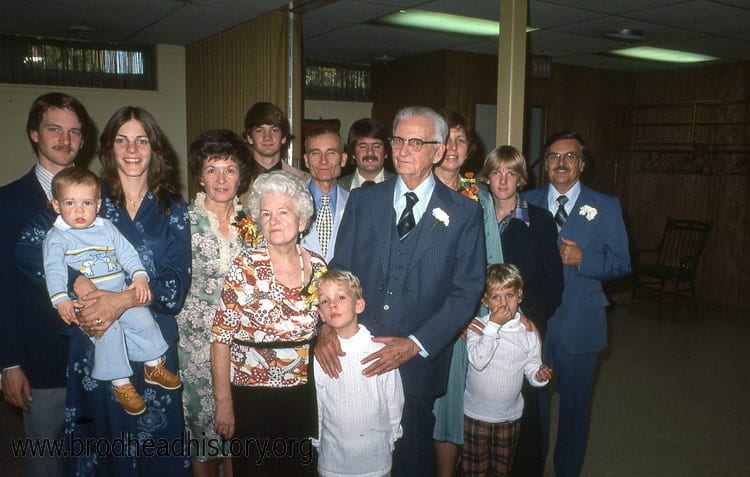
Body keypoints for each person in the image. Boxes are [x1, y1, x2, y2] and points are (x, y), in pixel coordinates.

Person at [14, 106, 192, 474]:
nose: (131, 149)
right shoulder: (84, 198)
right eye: (122, 140)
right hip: (94, 340)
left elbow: (174, 287)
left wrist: (123, 299)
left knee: (157, 455)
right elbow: (29, 246)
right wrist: (74, 281)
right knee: (104, 455)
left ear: (154, 149)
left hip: (152, 355)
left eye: (141, 140)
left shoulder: (172, 208)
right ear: (108, 148)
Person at [321, 106, 486, 475]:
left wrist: (414, 344)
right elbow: (339, 270)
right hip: (358, 352)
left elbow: (466, 291)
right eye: (398, 140)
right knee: (356, 452)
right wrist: (328, 327)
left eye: (416, 142)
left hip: (418, 360)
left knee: (412, 457)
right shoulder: (365, 201)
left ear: (439, 151)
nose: (403, 150)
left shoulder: (463, 212)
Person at [522, 131, 631, 477]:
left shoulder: (606, 206)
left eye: (570, 157)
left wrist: (586, 259)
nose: (561, 163)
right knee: (531, 408)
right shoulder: (525, 201)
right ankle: (530, 468)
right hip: (532, 323)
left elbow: (623, 263)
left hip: (580, 323)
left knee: (574, 408)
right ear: (545, 164)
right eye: (554, 156)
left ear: (582, 165)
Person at [211, 170, 326, 475]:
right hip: (252, 398)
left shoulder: (317, 266)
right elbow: (220, 340)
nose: (273, 220)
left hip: (302, 395)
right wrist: (223, 403)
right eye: (266, 213)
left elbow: (326, 326)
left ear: (301, 221)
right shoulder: (244, 267)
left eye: (283, 212)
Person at [0, 91, 90, 477]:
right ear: (34, 134)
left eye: (73, 132)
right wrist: (8, 363)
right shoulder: (8, 203)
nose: (65, 140)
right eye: (54, 129)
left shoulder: (98, 198)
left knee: (94, 457)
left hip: (97, 357)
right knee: (46, 462)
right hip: (40, 359)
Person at [42, 168, 179, 417]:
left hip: (118, 289)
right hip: (89, 301)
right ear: (56, 205)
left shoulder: (106, 227)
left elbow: (127, 253)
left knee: (145, 321)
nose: (79, 210)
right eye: (70, 203)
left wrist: (138, 276)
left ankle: (152, 365)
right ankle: (121, 384)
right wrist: (60, 299)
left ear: (98, 204)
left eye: (87, 203)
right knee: (109, 334)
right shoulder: (57, 237)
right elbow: (53, 270)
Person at [478, 145, 564, 476]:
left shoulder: (539, 221)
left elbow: (553, 282)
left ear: (521, 179)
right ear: (487, 177)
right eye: (496, 172)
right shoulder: (475, 214)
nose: (503, 180)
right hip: (479, 325)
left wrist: (523, 315)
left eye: (511, 173)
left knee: (524, 408)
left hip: (520, 326)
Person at [176, 129, 255, 477]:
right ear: (199, 175)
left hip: (242, 346)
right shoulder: (182, 222)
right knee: (204, 437)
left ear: (241, 175)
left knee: (239, 433)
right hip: (196, 347)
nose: (221, 179)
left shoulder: (252, 222)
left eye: (230, 169)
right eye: (212, 169)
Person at [463, 264, 553, 476]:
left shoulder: (528, 332)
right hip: (476, 415)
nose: (503, 303)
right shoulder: (478, 326)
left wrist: (539, 376)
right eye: (496, 297)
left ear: (519, 296)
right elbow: (478, 360)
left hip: (509, 417)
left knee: (502, 470)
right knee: (474, 470)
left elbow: (531, 367)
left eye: (509, 295)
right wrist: (492, 326)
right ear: (485, 300)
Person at [312, 269, 404, 477]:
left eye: (341, 297)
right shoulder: (320, 356)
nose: (332, 305)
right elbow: (316, 404)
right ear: (320, 313)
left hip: (375, 461)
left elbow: (394, 400)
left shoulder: (380, 351)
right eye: (325, 301)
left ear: (359, 305)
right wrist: (318, 443)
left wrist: (391, 439)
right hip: (333, 462)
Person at [431, 111, 481, 477]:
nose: (452, 148)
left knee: (453, 406)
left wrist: (468, 316)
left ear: (469, 149)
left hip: (465, 321)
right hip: (419, 318)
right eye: (445, 139)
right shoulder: (416, 190)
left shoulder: (481, 198)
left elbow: (489, 263)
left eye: (460, 140)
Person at [300, 127, 349, 262]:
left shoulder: (355, 203)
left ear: (343, 159)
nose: (323, 161)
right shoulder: (289, 201)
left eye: (331, 153)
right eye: (316, 153)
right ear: (306, 160)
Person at [242, 101, 308, 182]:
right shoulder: (235, 180)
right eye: (259, 130)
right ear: (249, 138)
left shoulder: (303, 181)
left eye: (274, 130)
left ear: (283, 137)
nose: (267, 137)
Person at [338, 118, 394, 190]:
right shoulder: (338, 187)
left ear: (385, 152)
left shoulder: (400, 185)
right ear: (353, 153)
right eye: (363, 146)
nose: (370, 152)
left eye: (376, 146)